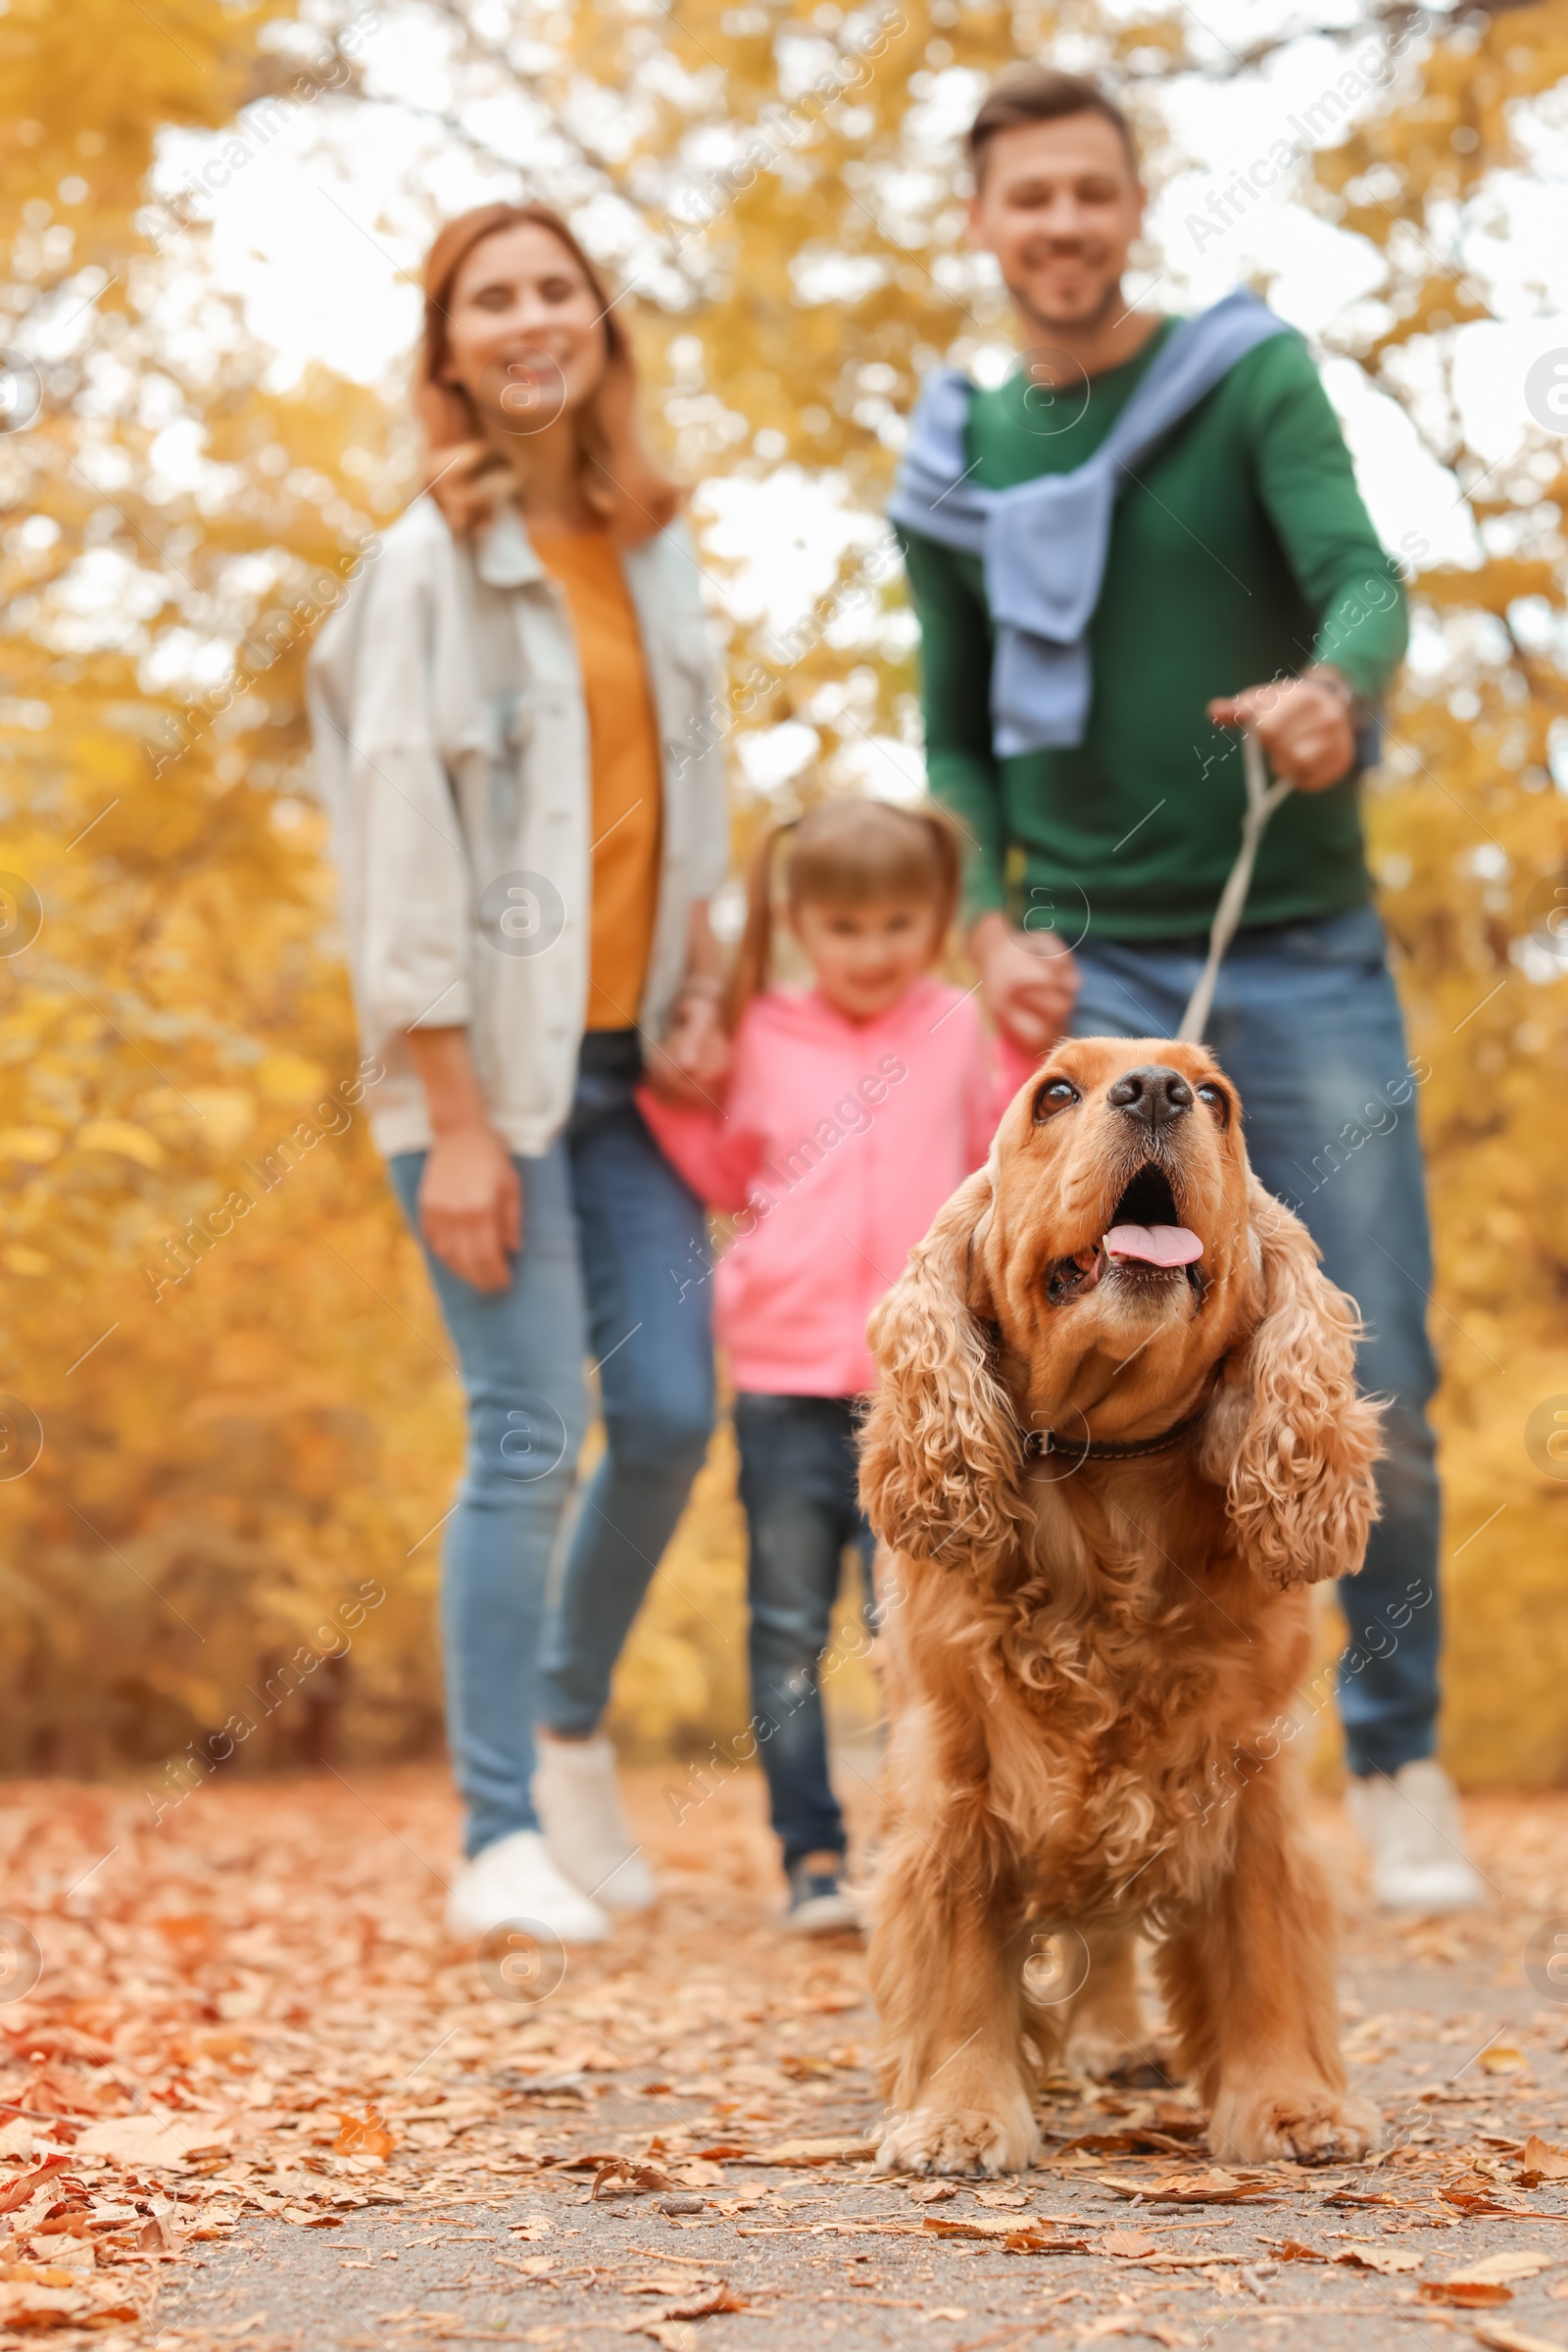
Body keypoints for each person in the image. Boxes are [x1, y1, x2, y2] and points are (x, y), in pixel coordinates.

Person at [891, 67, 1483, 1911]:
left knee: (1356, 1328)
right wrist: (987, 914)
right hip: (1079, 952)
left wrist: (1335, 692)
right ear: (982, 224)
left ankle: (1395, 1757)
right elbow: (957, 728)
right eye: (1025, 198)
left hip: (1279, 932)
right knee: (1022, 1348)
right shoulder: (956, 455)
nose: (1059, 225)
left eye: (1089, 192)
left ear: (1130, 208)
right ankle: (993, 1786)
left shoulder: (1247, 379)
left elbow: (1364, 585)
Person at [309, 203, 732, 1943]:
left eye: (559, 288)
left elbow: (693, 793)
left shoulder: (656, 547)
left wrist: (705, 975)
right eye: (493, 300)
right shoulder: (429, 567)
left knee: (672, 1415)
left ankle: (564, 1736)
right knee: (529, 1428)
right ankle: (496, 1839)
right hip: (477, 1076)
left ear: (603, 328)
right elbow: (399, 857)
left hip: (636, 1059)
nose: (531, 317)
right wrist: (459, 1127)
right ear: (449, 355)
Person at [639, 798, 1014, 1932]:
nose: (874, 949)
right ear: (799, 919)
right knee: (787, 1625)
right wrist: (670, 1079)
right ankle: (810, 1857)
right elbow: (713, 1162)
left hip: (928, 1384)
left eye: (900, 922)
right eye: (845, 926)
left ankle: (924, 1842)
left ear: (940, 916)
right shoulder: (758, 1036)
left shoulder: (962, 1029)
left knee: (919, 1623)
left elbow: (1016, 1161)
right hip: (782, 1388)